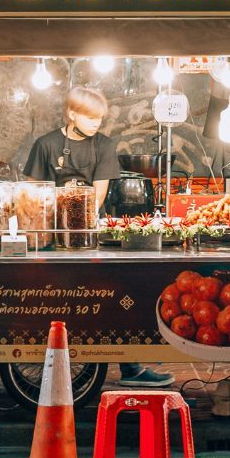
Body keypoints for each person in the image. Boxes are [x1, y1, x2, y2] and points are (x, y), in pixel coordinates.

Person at [23, 86, 174, 389]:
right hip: (50, 234)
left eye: (99, 119)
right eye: (90, 118)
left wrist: (77, 214)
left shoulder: (104, 145)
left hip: (89, 232)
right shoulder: (46, 145)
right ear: (72, 113)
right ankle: (47, 360)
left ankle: (130, 365)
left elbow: (99, 194)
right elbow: (32, 194)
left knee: (112, 295)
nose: (96, 124)